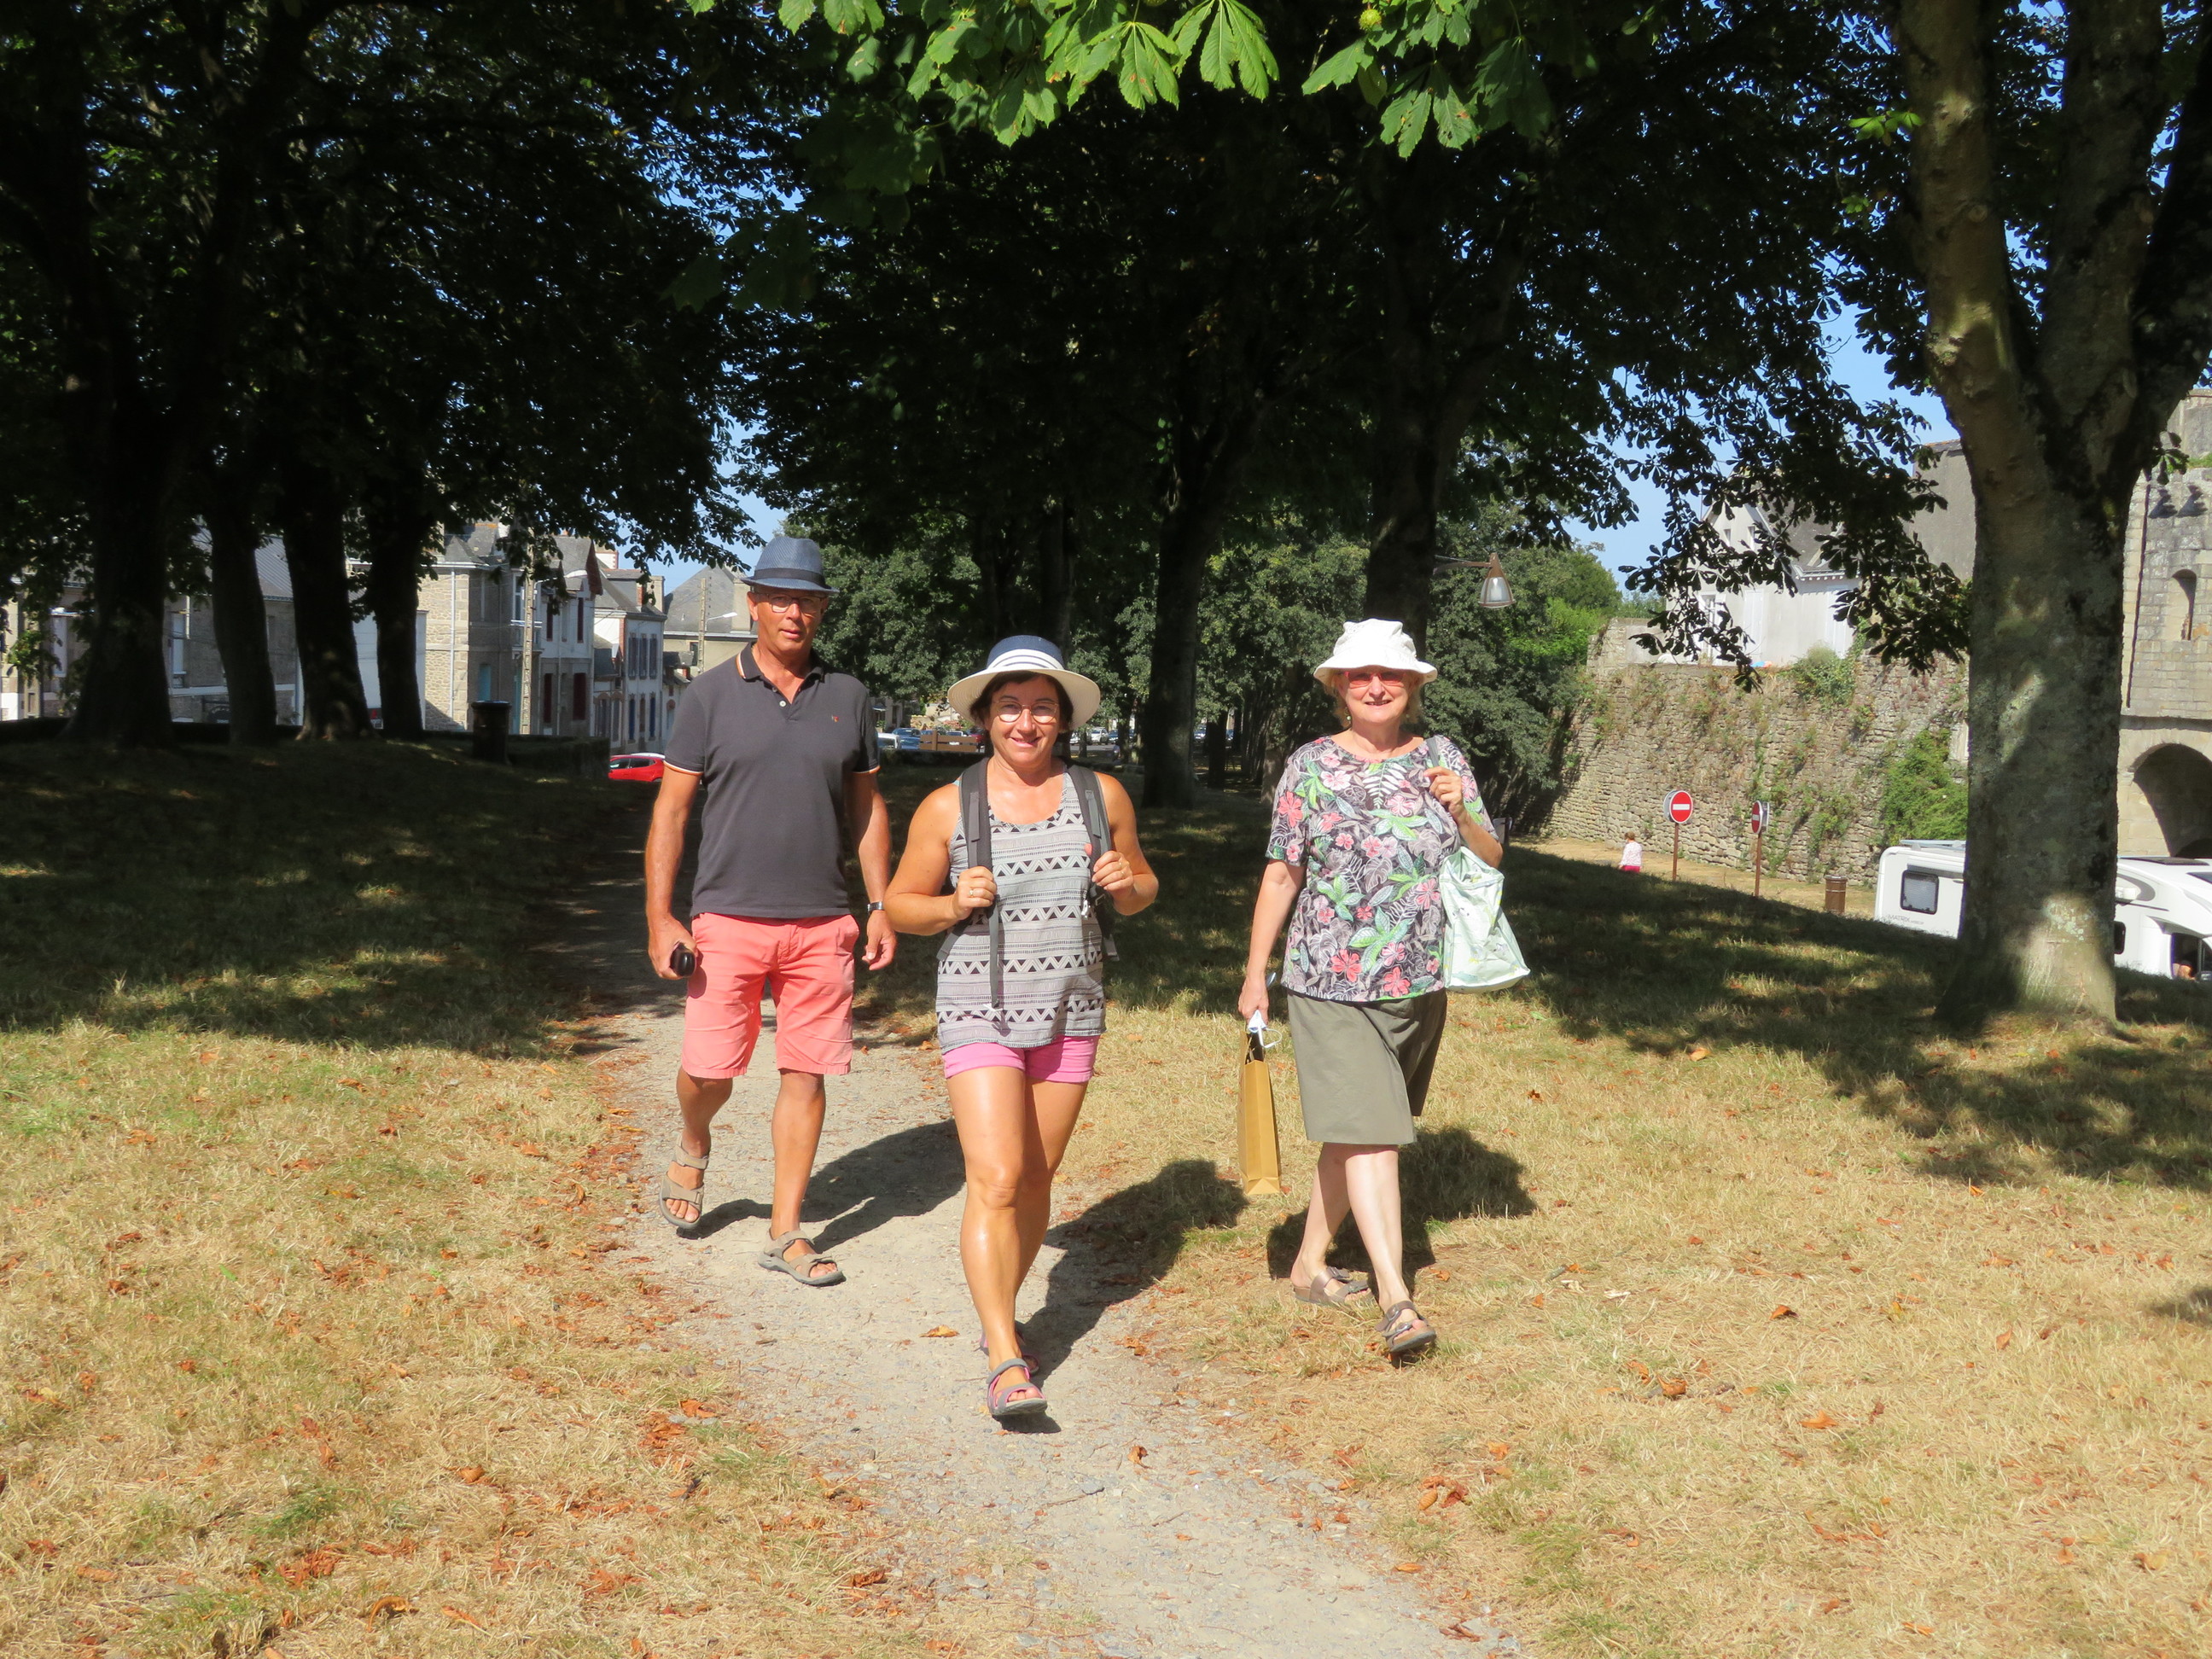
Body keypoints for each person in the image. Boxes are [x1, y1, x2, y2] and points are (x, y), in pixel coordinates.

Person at [885, 637, 1157, 1419]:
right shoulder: (949, 806)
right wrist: (950, 903)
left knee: (1037, 1178)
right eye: (1009, 707)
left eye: (1041, 707)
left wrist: (1126, 883)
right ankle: (1006, 1353)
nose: (1026, 722)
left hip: (1073, 1004)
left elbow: (1143, 887)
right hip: (980, 1004)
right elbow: (900, 906)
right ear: (985, 717)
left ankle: (998, 1311)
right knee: (998, 1177)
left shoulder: (1101, 795)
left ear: (1063, 718)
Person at [1237, 619, 1503, 1359]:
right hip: (1328, 977)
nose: (1376, 686)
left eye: (1391, 674)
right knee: (1376, 1134)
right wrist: (1255, 973)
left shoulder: (1444, 757)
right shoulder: (1311, 765)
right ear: (1339, 686)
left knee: (1356, 1132)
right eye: (1361, 675)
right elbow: (1282, 872)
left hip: (1419, 980)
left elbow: (1490, 857)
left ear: (1412, 686)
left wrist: (1460, 808)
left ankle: (1306, 1265)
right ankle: (1396, 1298)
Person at [643, 536, 896, 1287]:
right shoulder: (709, 695)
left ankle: (786, 1230)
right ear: (753, 605)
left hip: (822, 922)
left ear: (822, 611)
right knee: (709, 1071)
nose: (795, 612)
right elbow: (671, 812)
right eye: (781, 598)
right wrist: (661, 916)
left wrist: (879, 904)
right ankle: (694, 1141)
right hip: (727, 916)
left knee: (807, 1073)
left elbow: (867, 807)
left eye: (808, 601)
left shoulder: (848, 697)